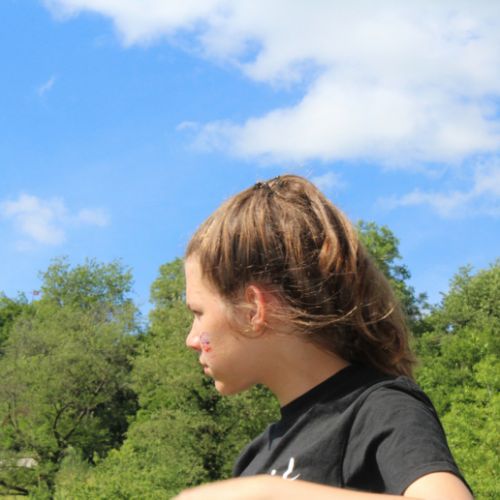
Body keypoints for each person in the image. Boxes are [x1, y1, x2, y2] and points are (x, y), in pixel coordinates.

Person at [175, 175, 473, 500]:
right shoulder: (254, 458)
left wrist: (267, 494)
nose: (192, 339)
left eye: (198, 312)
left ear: (253, 310)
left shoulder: (380, 408)